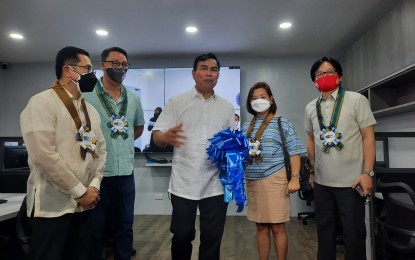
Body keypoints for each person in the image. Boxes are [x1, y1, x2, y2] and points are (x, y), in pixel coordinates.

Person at [20, 46, 106, 260]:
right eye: (87, 68)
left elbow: (100, 151)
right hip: (53, 209)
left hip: (86, 207)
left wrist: (93, 187)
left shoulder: (90, 110)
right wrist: (80, 191)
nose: (92, 75)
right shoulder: (41, 102)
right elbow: (43, 155)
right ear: (68, 70)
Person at [152, 53, 235, 260]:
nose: (209, 73)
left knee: (212, 237)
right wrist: (165, 137)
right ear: (194, 73)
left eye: (214, 70)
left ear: (218, 74)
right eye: (204, 68)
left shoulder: (226, 107)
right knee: (182, 235)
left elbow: (232, 143)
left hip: (215, 184)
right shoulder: (177, 102)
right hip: (184, 182)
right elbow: (157, 135)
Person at [305, 56, 376, 260]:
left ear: (339, 76)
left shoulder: (357, 100)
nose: (325, 76)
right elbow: (311, 139)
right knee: (324, 235)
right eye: (320, 74)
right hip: (322, 183)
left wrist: (367, 173)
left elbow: (368, 137)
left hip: (352, 182)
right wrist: (311, 170)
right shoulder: (311, 107)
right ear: (314, 81)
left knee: (354, 237)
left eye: (330, 72)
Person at [83, 47, 145, 260]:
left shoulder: (133, 99)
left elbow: (138, 128)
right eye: (115, 63)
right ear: (103, 65)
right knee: (96, 228)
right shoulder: (86, 94)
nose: (120, 68)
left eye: (124, 64)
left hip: (125, 172)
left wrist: (122, 143)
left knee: (125, 226)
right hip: (97, 174)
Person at [242, 82, 306, 260]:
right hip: (253, 181)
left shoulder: (281, 121)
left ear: (271, 99)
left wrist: (295, 178)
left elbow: (294, 151)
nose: (258, 101)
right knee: (260, 226)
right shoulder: (247, 125)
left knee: (277, 226)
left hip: (275, 178)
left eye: (263, 97)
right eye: (254, 98)